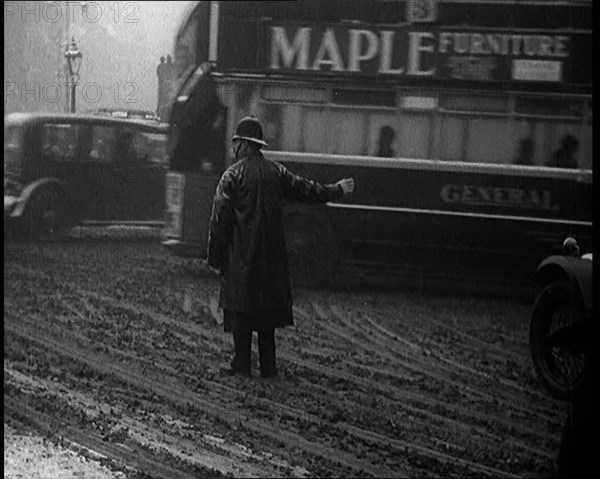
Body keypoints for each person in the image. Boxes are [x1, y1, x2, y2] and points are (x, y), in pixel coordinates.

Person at [207, 116, 355, 378]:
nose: (233, 148)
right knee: (266, 316)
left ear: (244, 144)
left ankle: (241, 364)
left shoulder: (231, 176)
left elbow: (219, 220)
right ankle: (269, 367)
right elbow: (308, 191)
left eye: (235, 142)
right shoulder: (277, 172)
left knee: (241, 314)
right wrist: (337, 190)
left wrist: (215, 258)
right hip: (271, 260)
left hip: (241, 259)